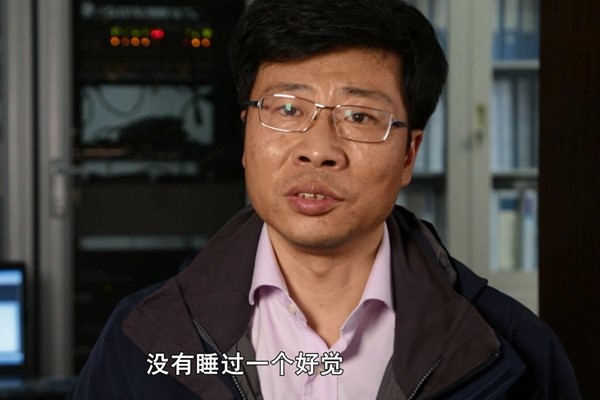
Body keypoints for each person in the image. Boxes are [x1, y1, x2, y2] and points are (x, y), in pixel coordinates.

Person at [68, 0, 581, 399]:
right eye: (288, 109)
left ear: (409, 154)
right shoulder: (145, 337)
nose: (318, 150)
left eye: (359, 117)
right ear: (246, 136)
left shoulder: (515, 348)